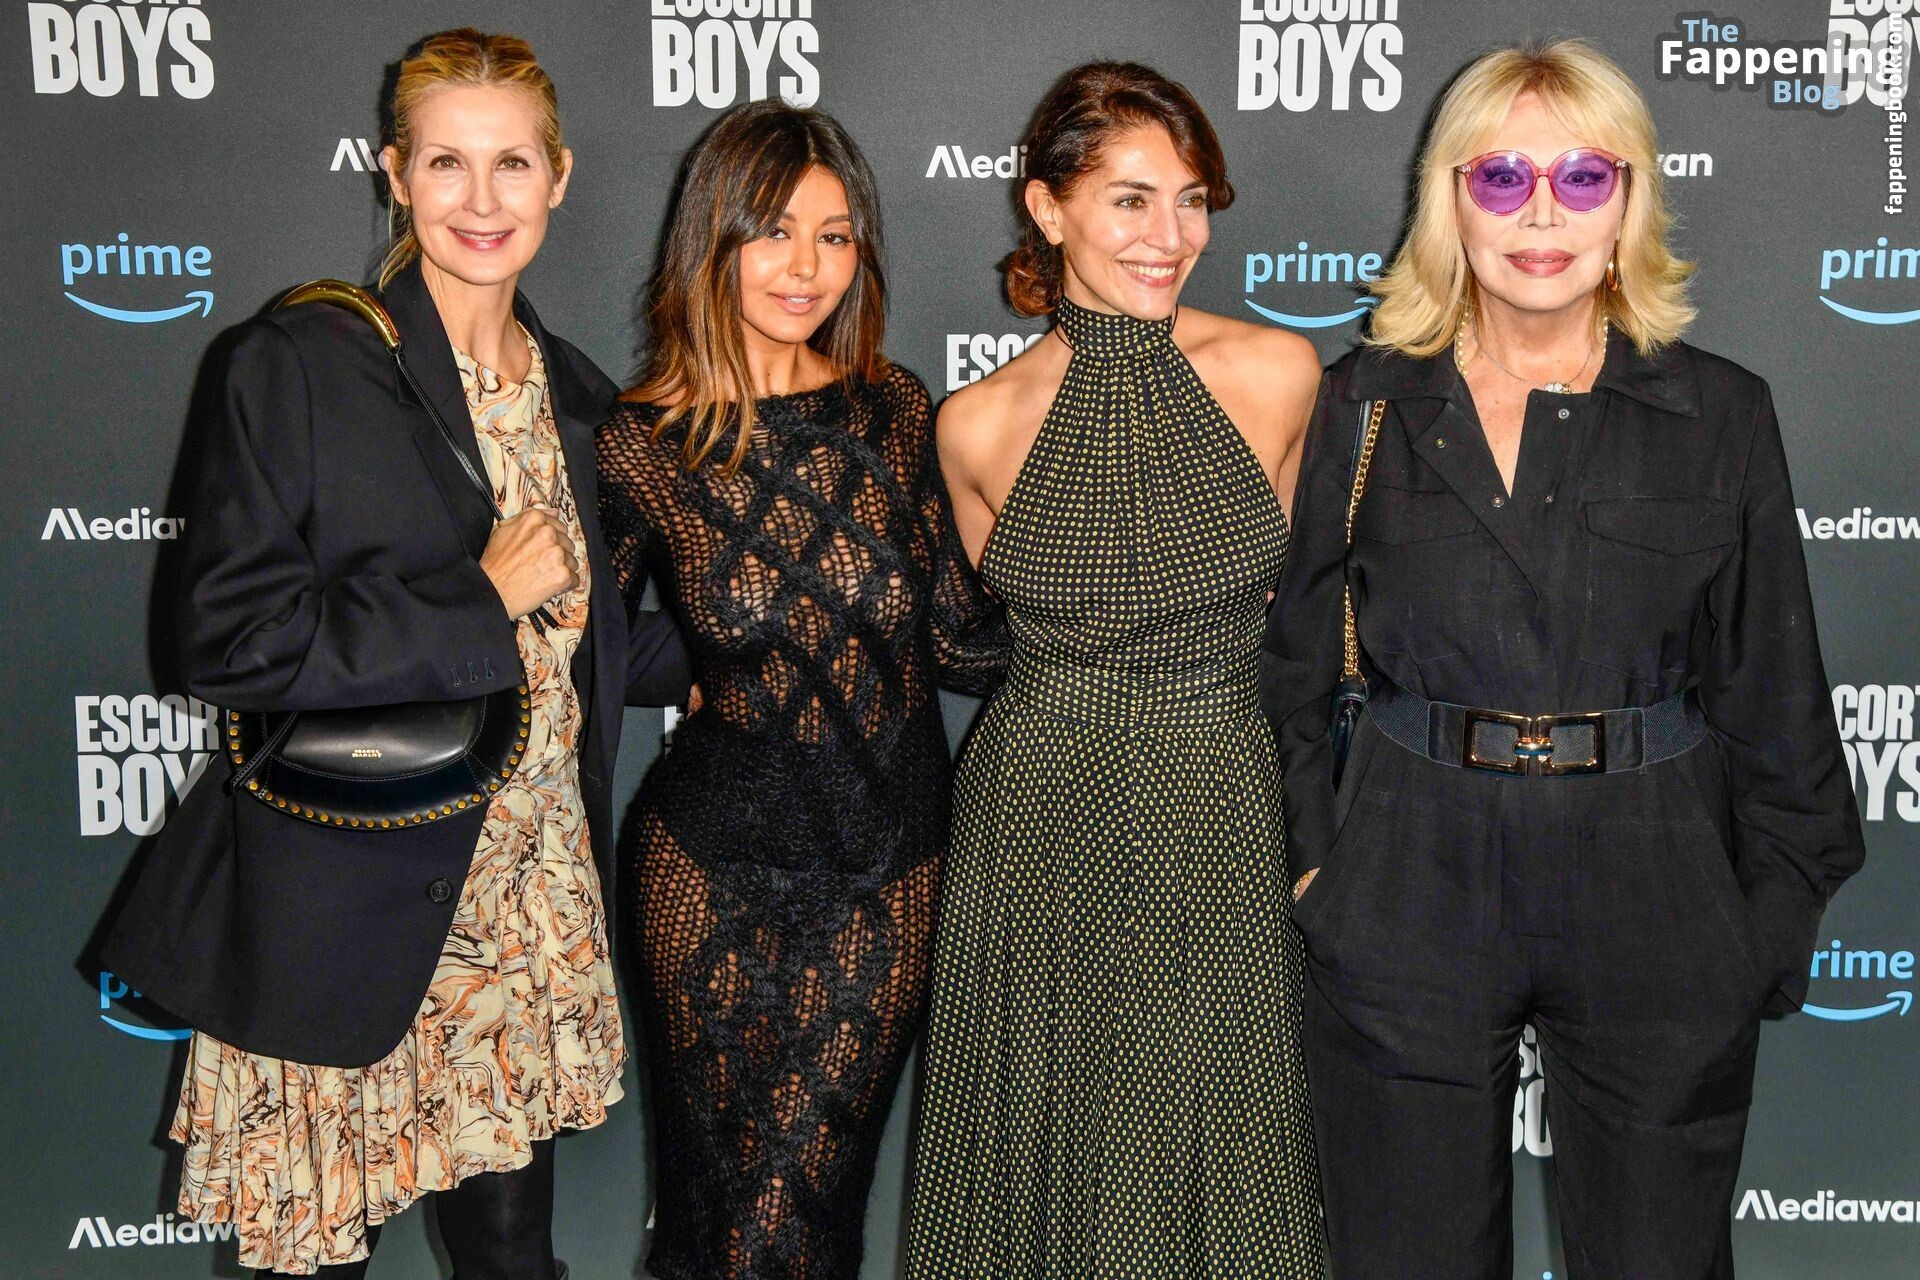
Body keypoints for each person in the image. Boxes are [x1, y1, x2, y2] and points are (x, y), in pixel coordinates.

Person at [1263, 39, 1865, 1280]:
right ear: (1451, 200)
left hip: (1656, 871)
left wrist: (1759, 924)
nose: (1542, 213)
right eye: (1502, 177)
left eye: (1583, 177)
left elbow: (1778, 692)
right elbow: (1294, 667)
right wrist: (1322, 870)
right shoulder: (1360, 403)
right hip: (1410, 868)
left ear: (1629, 200)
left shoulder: (1722, 412)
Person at [99, 29, 688, 1278]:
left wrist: (772, 651)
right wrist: (477, 598)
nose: (482, 199)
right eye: (445, 162)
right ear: (394, 172)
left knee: (513, 1255)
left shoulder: (583, 399)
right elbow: (230, 642)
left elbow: (591, 643)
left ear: (560, 177)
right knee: (315, 1261)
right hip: (344, 898)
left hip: (524, 907)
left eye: (512, 163)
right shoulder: (300, 363)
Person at [906, 62, 1326, 1278]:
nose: (1170, 236)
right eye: (1131, 200)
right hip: (1037, 813)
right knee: (1040, 1141)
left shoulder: (1281, 374)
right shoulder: (973, 424)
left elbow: (1303, 627)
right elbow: (994, 636)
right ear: (1048, 209)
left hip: (1220, 796)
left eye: (1191, 202)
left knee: (1222, 1138)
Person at [596, 100, 1006, 1280]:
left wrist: (1087, 569)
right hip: (709, 862)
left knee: (801, 1222)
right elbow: (587, 658)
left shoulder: (894, 409)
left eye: (834, 237)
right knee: (709, 1218)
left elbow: (964, 647)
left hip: (886, 869)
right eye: (773, 231)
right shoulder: (640, 442)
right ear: (712, 237)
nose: (806, 267)